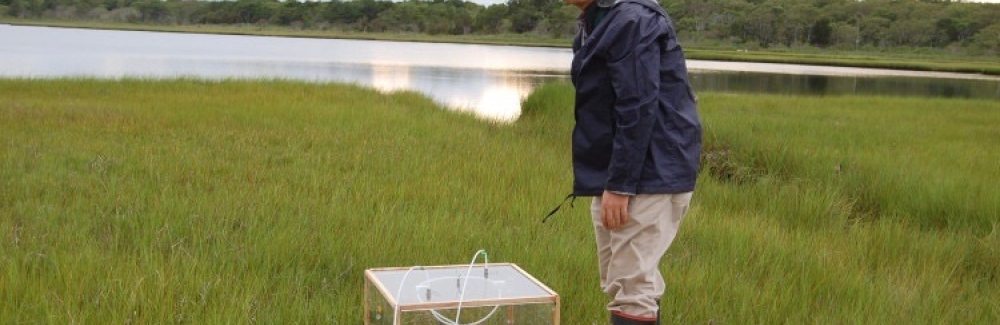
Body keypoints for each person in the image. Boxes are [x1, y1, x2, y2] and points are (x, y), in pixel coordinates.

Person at [563, 0, 702, 323]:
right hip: (623, 170)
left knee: (631, 286)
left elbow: (637, 104)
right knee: (625, 282)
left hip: (649, 172)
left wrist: (621, 184)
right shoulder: (598, 19)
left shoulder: (632, 19)